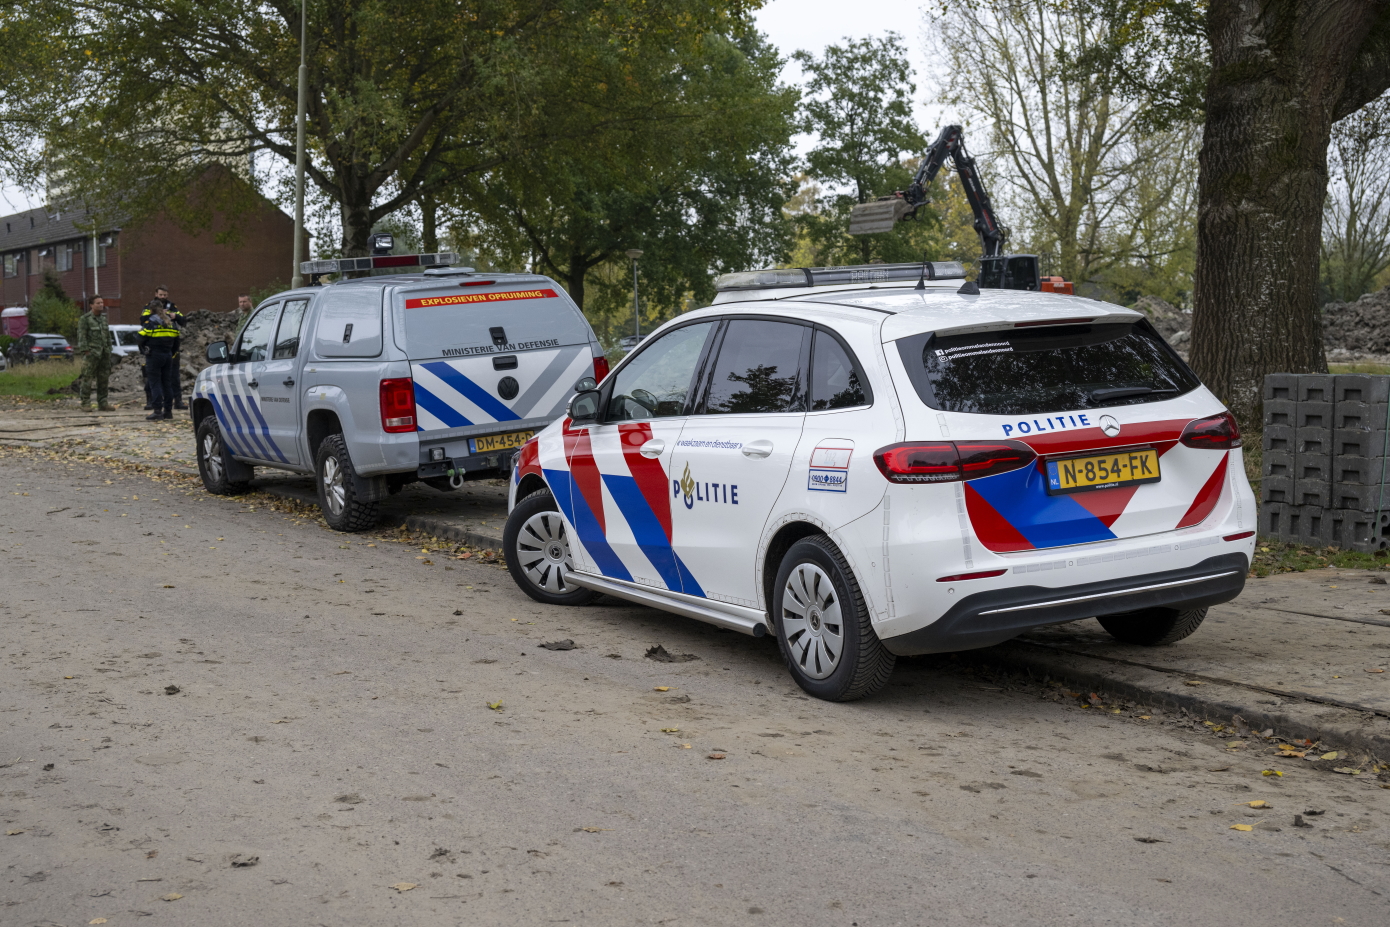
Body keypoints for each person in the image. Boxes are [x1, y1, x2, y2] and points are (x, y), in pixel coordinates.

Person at [142, 286, 187, 411]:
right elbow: (143, 321)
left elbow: (183, 320)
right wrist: (158, 315)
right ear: (156, 294)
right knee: (153, 377)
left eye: (165, 295)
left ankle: (177, 401)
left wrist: (174, 316)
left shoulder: (172, 306)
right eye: (161, 295)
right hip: (154, 348)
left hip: (170, 347)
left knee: (173, 377)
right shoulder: (149, 307)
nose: (163, 297)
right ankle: (151, 401)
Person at [137, 304, 180, 421]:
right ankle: (168, 411)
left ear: (151, 310)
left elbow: (139, 338)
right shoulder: (171, 324)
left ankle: (157, 411)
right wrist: (171, 353)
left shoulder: (150, 323)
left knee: (155, 383)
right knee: (167, 383)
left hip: (154, 355)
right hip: (168, 356)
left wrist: (144, 350)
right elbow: (177, 341)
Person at [76, 295, 115, 412]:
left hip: (104, 354)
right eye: (98, 303)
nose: (101, 305)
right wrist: (86, 351)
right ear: (91, 305)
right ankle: (85, 403)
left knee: (103, 379)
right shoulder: (85, 319)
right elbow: (81, 336)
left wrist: (109, 349)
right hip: (92, 353)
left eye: (102, 303)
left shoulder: (103, 319)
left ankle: (103, 403)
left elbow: (107, 336)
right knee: (87, 378)